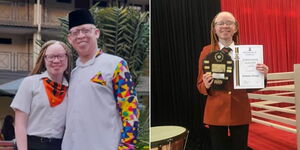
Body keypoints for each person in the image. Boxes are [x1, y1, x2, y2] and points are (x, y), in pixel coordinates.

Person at [61, 9, 139, 150]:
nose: (80, 36)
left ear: (96, 33)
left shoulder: (115, 65)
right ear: (69, 39)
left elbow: (129, 109)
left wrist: (126, 146)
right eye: (75, 32)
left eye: (85, 30)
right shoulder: (72, 74)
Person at [197, 11, 269, 150]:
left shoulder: (247, 53)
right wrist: (205, 85)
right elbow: (199, 84)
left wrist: (262, 76)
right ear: (214, 28)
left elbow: (251, 85)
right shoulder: (206, 51)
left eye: (229, 23)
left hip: (240, 109)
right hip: (215, 111)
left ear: (235, 28)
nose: (225, 26)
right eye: (220, 23)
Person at [10, 40, 72, 150]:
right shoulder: (30, 83)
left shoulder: (72, 88)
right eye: (51, 57)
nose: (56, 60)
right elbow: (20, 124)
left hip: (60, 145)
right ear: (44, 59)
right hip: (32, 144)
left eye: (61, 56)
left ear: (67, 58)